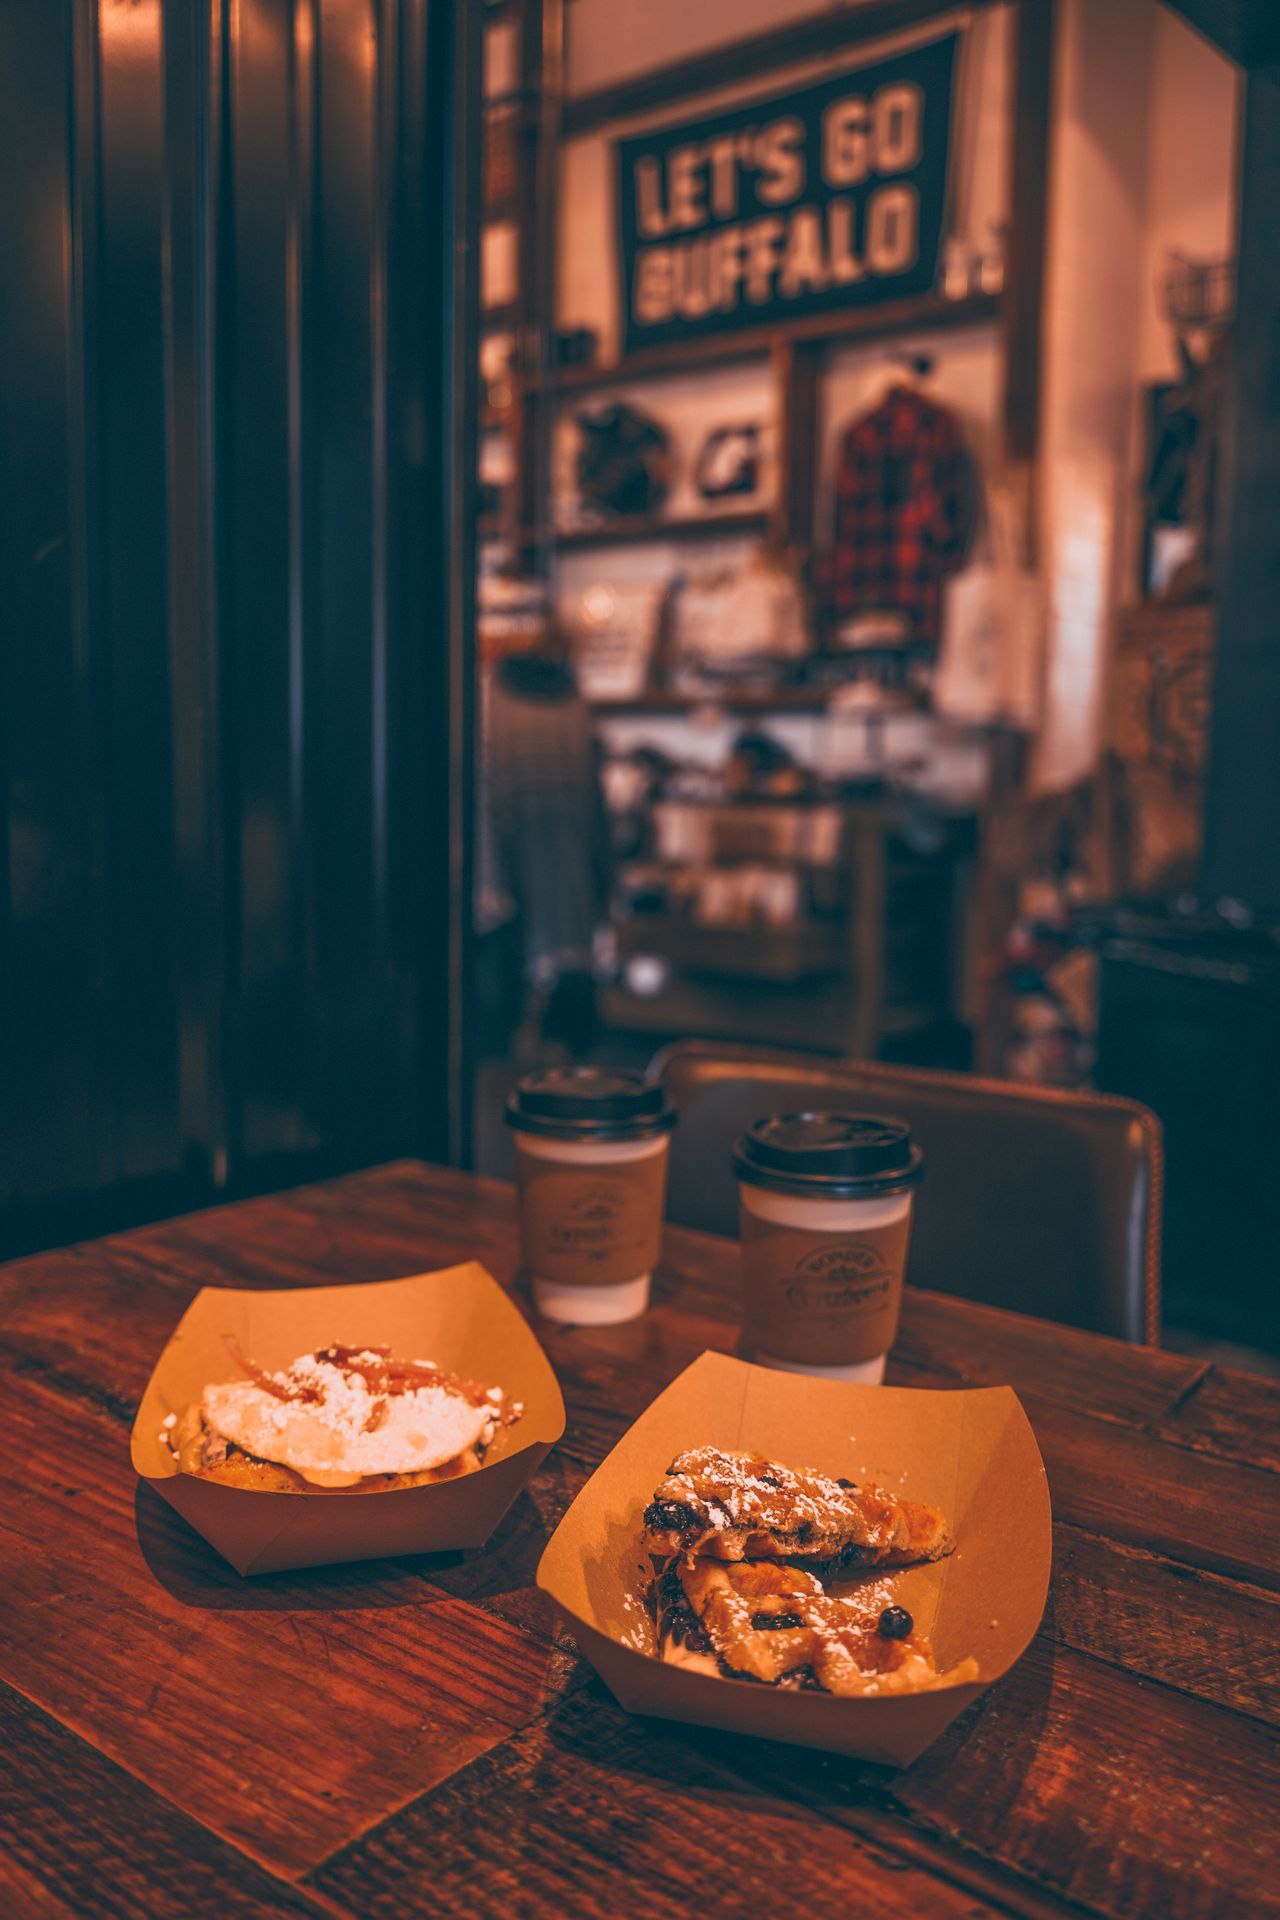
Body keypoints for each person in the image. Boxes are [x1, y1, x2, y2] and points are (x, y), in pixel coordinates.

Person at [477, 628, 612, 1057]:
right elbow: (595, 807)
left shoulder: (486, 700)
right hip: (567, 883)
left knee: (497, 1027)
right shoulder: (575, 703)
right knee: (569, 1048)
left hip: (498, 883)